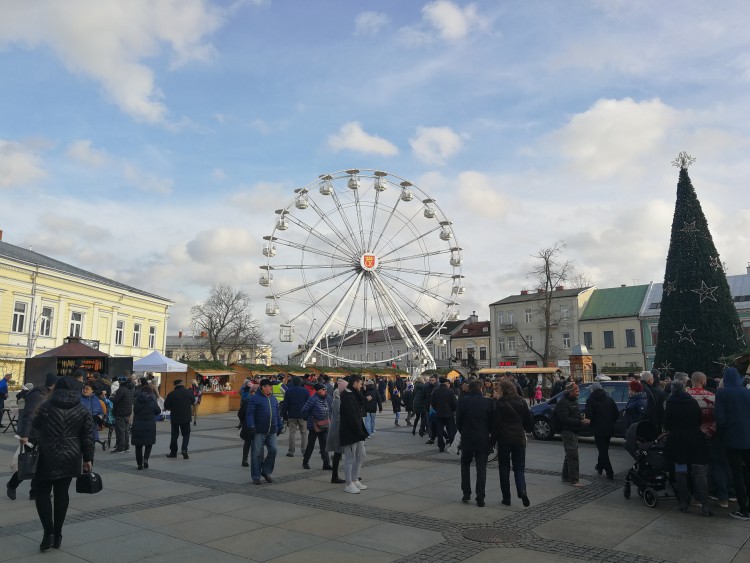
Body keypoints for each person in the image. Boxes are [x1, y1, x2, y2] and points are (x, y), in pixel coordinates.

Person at [30, 376, 94, 551]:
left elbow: (35, 425)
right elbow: (88, 437)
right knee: (62, 493)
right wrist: (88, 459)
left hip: (47, 454)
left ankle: (47, 533)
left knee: (42, 493)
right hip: (71, 455)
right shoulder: (82, 409)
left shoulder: (46, 406)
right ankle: (58, 534)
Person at [664, 379, 712, 516]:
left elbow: (667, 423)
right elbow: (698, 420)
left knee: (681, 471)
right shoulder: (692, 402)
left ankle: (684, 502)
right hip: (695, 438)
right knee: (699, 471)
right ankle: (704, 504)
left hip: (678, 440)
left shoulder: (671, 403)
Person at [7, 373, 57, 501]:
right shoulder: (38, 395)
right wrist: (25, 435)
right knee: (29, 463)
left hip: (46, 434)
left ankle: (35, 492)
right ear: (52, 384)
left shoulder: (50, 395)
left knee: (42, 464)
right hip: (34, 434)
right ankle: (12, 485)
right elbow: (29, 416)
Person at [715, 367, 750, 521]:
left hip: (731, 439)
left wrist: (720, 437)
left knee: (737, 475)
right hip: (748, 438)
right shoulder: (747, 392)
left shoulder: (722, 394)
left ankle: (744, 509)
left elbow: (720, 419)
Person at [493, 379, 533, 506]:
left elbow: (496, 424)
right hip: (519, 438)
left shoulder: (499, 403)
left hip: (504, 439)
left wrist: (492, 441)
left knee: (504, 468)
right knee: (519, 468)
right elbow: (529, 422)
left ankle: (506, 498)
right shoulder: (522, 401)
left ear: (503, 390)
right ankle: (522, 490)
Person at [456, 380, 494, 507]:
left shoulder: (462, 401)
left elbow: (458, 421)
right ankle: (480, 497)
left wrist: (464, 431)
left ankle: (466, 493)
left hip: (467, 437)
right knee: (481, 468)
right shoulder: (488, 402)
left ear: (469, 389)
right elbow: (491, 422)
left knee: (465, 465)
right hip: (482, 438)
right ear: (481, 388)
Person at [245, 378, 283, 485]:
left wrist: (279, 426)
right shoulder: (255, 399)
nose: (271, 388)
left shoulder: (273, 399)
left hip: (272, 430)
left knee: (274, 450)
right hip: (259, 431)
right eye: (269, 386)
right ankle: (256, 476)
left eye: (271, 386)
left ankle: (266, 471)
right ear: (263, 387)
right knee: (256, 454)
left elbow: (277, 414)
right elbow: (250, 414)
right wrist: (251, 426)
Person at [554, 381, 589, 487]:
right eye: (577, 391)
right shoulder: (563, 403)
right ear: (570, 392)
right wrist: (580, 422)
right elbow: (564, 419)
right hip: (567, 432)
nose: (579, 393)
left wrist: (582, 419)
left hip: (574, 430)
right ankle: (574, 480)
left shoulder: (573, 401)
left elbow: (576, 414)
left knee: (569, 455)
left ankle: (565, 476)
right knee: (573, 456)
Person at [340, 375, 368, 494]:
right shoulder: (348, 397)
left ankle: (354, 479)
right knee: (349, 458)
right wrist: (358, 430)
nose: (362, 386)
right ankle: (348, 484)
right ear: (355, 383)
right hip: (350, 431)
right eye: (360, 383)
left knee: (361, 455)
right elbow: (351, 416)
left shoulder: (354, 395)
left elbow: (357, 414)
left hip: (358, 430)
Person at [585, 382, 619, 480]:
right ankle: (600, 466)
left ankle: (609, 471)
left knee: (603, 451)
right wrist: (611, 422)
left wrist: (591, 423)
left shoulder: (590, 400)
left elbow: (589, 415)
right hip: (609, 429)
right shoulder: (609, 398)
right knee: (604, 449)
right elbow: (616, 413)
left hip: (598, 429)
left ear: (592, 390)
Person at [300, 383, 332, 470]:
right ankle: (305, 462)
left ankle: (326, 463)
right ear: (318, 390)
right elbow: (304, 410)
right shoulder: (312, 399)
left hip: (324, 425)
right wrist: (309, 419)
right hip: (314, 427)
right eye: (323, 389)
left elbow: (328, 410)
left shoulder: (325, 399)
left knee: (324, 445)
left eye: (325, 389)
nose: (325, 391)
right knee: (311, 445)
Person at [131, 378, 161, 470]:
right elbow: (158, 411)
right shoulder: (152, 401)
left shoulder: (137, 401)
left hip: (138, 425)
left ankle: (139, 464)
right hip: (149, 425)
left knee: (138, 446)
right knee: (149, 444)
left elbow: (135, 411)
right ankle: (146, 460)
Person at [326, 377, 348, 484]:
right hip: (337, 428)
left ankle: (336, 475)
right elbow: (338, 415)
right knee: (338, 452)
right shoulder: (337, 399)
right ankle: (334, 476)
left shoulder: (339, 397)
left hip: (338, 427)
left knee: (338, 453)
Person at [164, 379, 194, 459]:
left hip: (175, 418)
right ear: (182, 383)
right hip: (186, 417)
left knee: (174, 435)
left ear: (175, 385)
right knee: (186, 434)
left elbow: (166, 406)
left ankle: (173, 452)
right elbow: (193, 401)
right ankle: (184, 449)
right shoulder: (189, 392)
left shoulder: (171, 394)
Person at [282, 376, 309, 458]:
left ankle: (291, 451)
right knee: (304, 433)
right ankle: (304, 450)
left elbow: (285, 405)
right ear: (300, 383)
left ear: (293, 382)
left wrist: (285, 416)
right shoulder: (305, 391)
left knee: (292, 433)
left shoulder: (288, 391)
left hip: (292, 414)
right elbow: (308, 403)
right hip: (302, 415)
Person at [431, 377, 457, 452]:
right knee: (450, 430)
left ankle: (441, 446)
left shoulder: (436, 391)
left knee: (439, 431)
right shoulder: (450, 391)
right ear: (446, 383)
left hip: (439, 414)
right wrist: (452, 410)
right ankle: (452, 445)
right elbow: (454, 403)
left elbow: (432, 402)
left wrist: (437, 409)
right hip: (449, 414)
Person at [110, 375, 135, 453]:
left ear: (121, 382)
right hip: (128, 412)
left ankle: (120, 448)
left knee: (120, 430)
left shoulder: (121, 389)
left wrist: (111, 397)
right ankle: (126, 447)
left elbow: (116, 400)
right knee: (126, 430)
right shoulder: (130, 389)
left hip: (120, 412)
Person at [79, 381, 105, 448]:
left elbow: (101, 412)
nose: (84, 390)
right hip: (82, 427)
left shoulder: (96, 399)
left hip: (94, 427)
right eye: (83, 388)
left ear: (92, 390)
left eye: (87, 388)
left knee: (91, 448)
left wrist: (99, 417)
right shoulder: (79, 399)